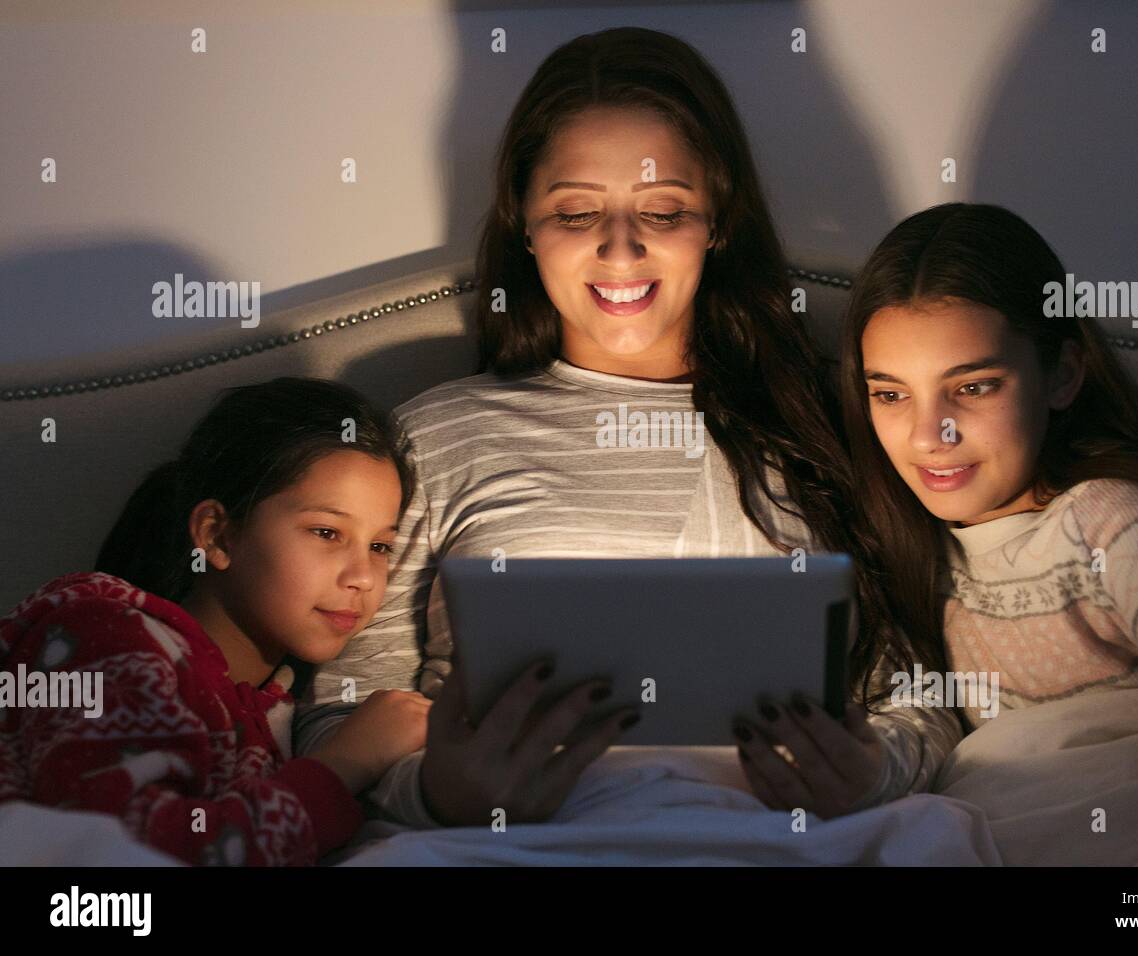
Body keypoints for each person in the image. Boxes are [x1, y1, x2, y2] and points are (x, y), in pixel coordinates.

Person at [294, 27, 962, 828]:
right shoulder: (435, 435)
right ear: (524, 224)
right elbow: (341, 716)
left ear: (717, 222)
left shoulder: (832, 423)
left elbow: (921, 701)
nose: (621, 248)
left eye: (664, 209)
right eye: (576, 212)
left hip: (766, 838)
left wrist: (868, 773)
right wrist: (440, 795)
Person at [840, 201, 1138, 864]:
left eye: (973, 387)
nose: (927, 436)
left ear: (1061, 375)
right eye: (889, 394)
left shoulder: (1120, 526)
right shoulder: (899, 545)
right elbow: (918, 724)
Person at [0, 377, 431, 865]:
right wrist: (345, 764)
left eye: (380, 547)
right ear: (218, 537)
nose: (363, 578)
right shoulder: (106, 637)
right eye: (327, 532)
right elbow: (124, 865)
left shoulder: (275, 708)